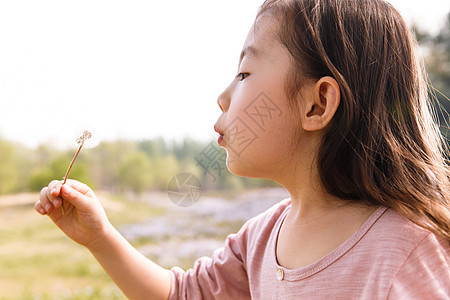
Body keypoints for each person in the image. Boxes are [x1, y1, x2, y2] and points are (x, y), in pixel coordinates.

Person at [35, 0, 450, 299]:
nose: (222, 95)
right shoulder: (261, 237)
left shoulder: (408, 251)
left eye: (245, 72)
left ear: (317, 104)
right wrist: (101, 238)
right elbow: (183, 294)